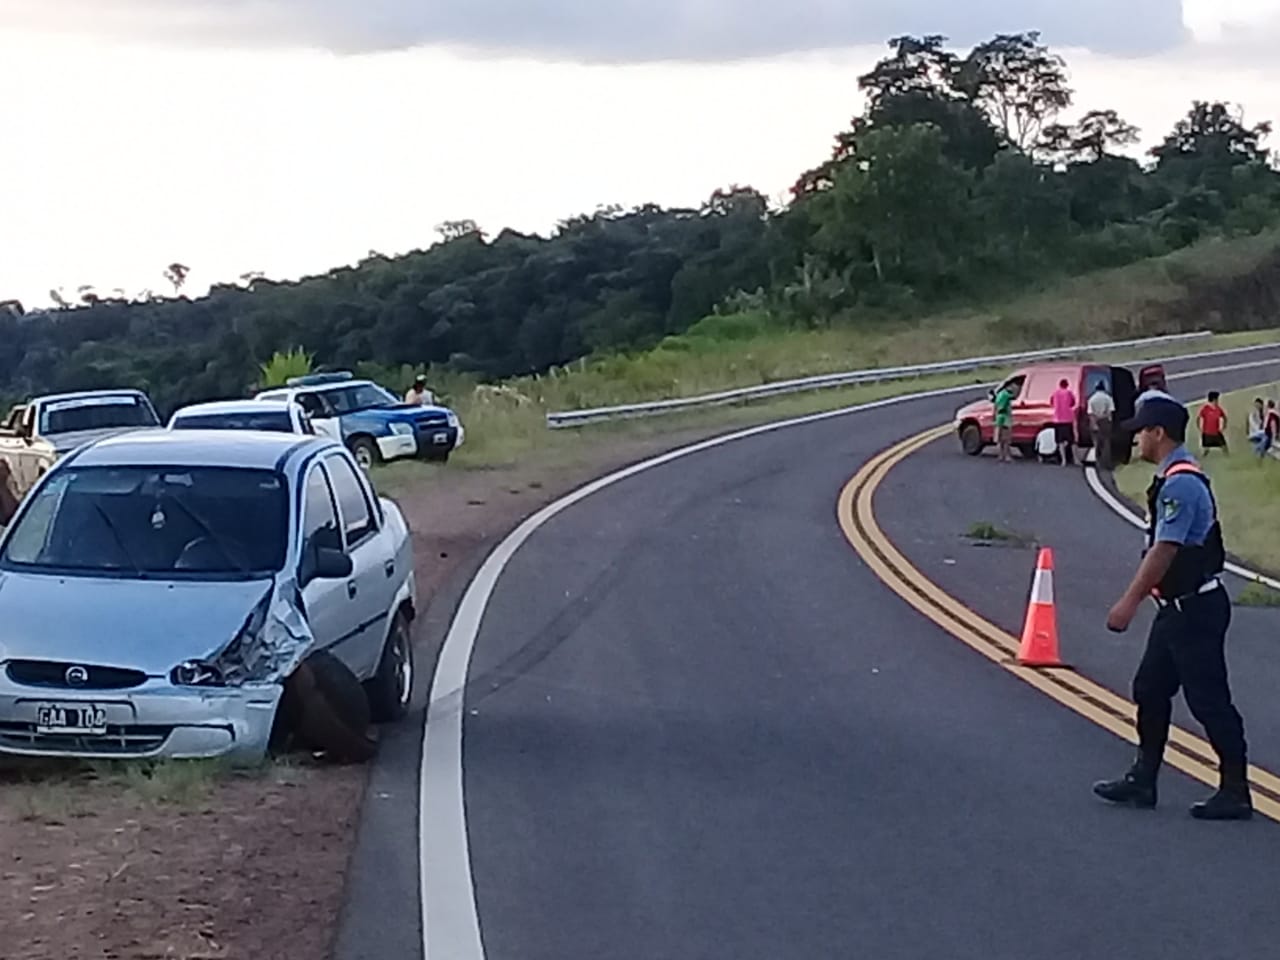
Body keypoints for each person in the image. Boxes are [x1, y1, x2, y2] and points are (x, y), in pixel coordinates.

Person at [1093, 395, 1251, 820]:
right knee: (1150, 687)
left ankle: (1236, 789)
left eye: (1142, 431)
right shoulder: (1173, 477)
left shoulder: (1181, 483)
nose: (1138, 439)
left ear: (1158, 434)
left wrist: (1128, 602)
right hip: (1178, 608)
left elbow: (1165, 550)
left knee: (1208, 699)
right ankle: (1144, 779)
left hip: (1194, 609)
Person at [1087, 382, 1116, 471]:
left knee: (1097, 442)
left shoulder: (1092, 399)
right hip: (1105, 421)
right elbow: (1110, 411)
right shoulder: (1108, 398)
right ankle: (1106, 463)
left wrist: (1094, 423)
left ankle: (1098, 461)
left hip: (1095, 420)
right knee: (1106, 442)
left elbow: (1090, 413)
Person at [1050, 378, 1077, 467]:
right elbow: (1073, 403)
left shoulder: (1055, 393)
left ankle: (1063, 460)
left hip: (1057, 419)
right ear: (1067, 385)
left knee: (1060, 441)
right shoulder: (1069, 393)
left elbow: (1051, 403)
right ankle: (1075, 459)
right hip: (1068, 419)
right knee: (1072, 441)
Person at [1196, 391, 1228, 455]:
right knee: (1206, 449)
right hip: (1207, 432)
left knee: (1224, 446)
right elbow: (1198, 417)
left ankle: (1227, 457)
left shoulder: (1218, 409)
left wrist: (1224, 426)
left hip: (1216, 432)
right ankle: (1203, 458)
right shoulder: (1205, 408)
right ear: (1214, 399)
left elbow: (1224, 417)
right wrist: (1199, 427)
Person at [992, 381, 1015, 463]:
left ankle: (1001, 455)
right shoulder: (1006, 395)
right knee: (1006, 439)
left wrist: (994, 417)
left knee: (1000, 438)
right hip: (1005, 419)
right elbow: (1012, 398)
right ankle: (1007, 456)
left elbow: (995, 407)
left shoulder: (999, 395)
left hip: (999, 418)